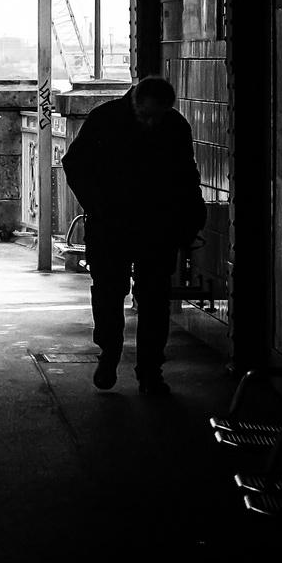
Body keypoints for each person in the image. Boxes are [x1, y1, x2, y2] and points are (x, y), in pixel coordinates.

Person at [61, 75, 207, 395]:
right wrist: (97, 206)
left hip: (155, 227)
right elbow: (74, 163)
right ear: (135, 103)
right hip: (111, 223)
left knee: (152, 299)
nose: (153, 122)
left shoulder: (173, 124)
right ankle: (110, 354)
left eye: (159, 116)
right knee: (111, 293)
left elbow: (186, 174)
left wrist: (192, 218)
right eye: (147, 116)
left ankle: (150, 371)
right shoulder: (106, 118)